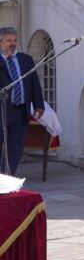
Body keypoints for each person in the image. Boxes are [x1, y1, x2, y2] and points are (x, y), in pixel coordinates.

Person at [0, 27, 45, 175]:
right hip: (2, 111)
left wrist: (39, 104)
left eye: (14, 40)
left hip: (20, 111)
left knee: (16, 147)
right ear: (1, 43)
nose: (12, 43)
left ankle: (8, 176)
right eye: (9, 41)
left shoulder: (26, 60)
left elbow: (34, 83)